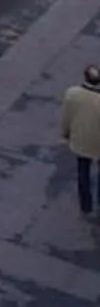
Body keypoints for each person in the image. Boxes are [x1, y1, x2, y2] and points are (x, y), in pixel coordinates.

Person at [62, 64, 100, 215]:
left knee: (83, 171)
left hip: (81, 139)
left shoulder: (72, 94)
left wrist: (66, 132)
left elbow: (67, 117)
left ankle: (86, 204)